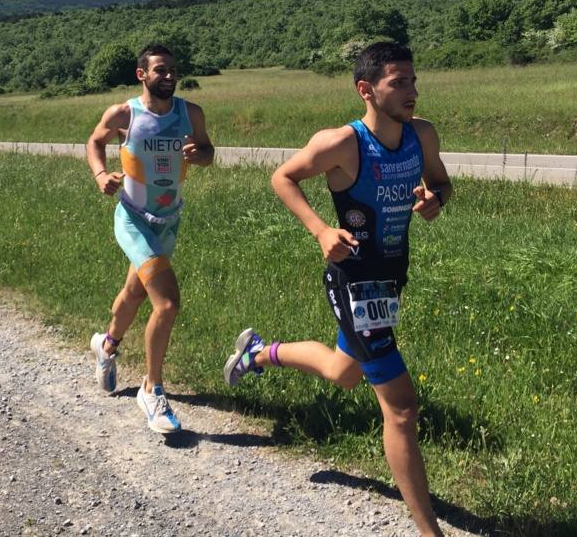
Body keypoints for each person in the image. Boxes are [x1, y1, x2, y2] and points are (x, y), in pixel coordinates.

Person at [224, 42, 451, 536]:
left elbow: (441, 183)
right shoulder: (342, 143)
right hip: (354, 283)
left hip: (391, 279)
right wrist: (321, 231)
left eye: (414, 81)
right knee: (402, 407)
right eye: (400, 83)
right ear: (366, 90)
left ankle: (257, 355)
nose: (412, 91)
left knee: (342, 371)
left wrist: (435, 200)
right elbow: (282, 177)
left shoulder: (422, 135)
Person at [86, 43, 215, 433]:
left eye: (173, 70)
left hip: (169, 219)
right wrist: (100, 175)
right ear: (142, 74)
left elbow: (208, 152)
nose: (170, 76)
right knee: (168, 303)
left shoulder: (190, 113)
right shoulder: (124, 113)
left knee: (136, 292)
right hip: (133, 219)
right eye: (161, 70)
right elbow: (95, 142)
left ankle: (106, 346)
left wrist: (201, 154)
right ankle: (152, 388)